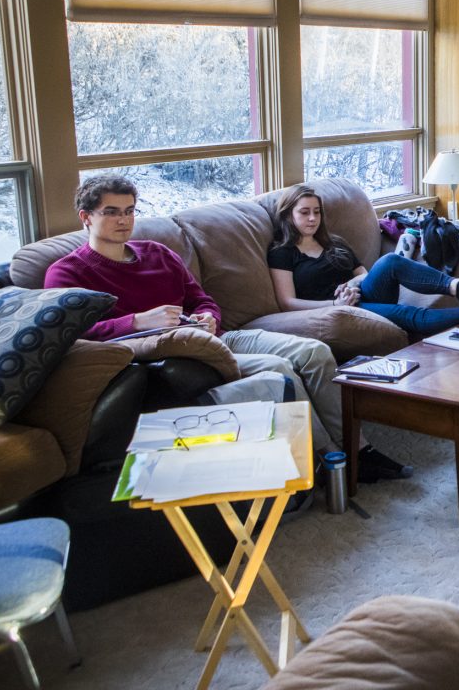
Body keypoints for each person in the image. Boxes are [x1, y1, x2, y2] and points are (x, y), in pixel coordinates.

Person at [44, 175, 411, 483]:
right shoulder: (67, 273)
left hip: (219, 335)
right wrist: (138, 322)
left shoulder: (157, 253)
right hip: (179, 354)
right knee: (281, 371)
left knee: (314, 352)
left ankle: (359, 449)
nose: (124, 220)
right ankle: (333, 459)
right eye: (111, 212)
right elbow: (74, 336)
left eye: (129, 211)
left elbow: (201, 299)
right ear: (86, 217)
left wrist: (208, 316)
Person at [267, 184, 459, 336]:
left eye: (316, 212)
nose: (312, 218)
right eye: (304, 213)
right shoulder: (282, 252)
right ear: (288, 215)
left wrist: (350, 285)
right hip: (338, 310)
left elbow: (363, 274)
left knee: (389, 261)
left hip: (361, 294)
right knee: (406, 313)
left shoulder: (334, 242)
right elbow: (287, 302)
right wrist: (335, 303)